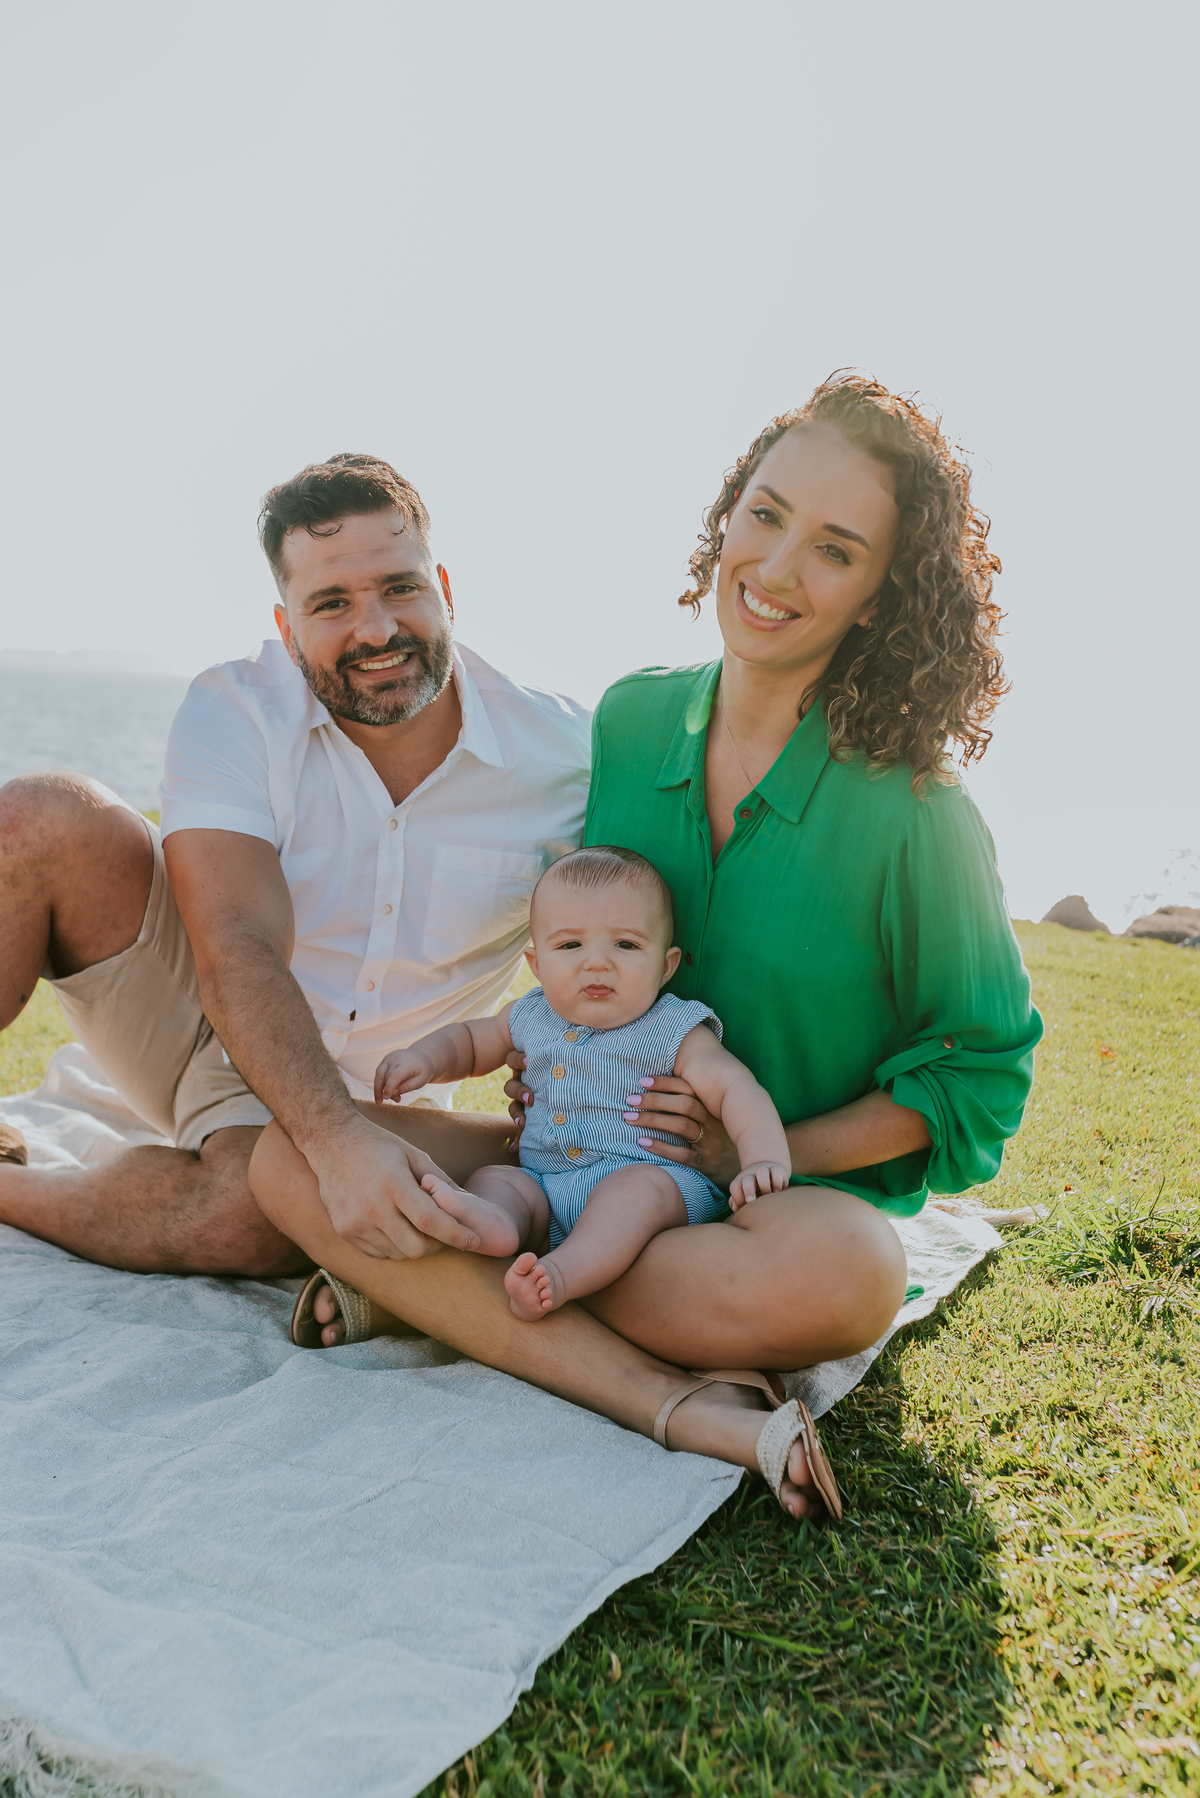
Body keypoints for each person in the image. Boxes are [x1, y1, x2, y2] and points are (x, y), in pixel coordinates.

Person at [248, 373, 1040, 1520]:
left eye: (833, 549)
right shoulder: (627, 722)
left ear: (879, 595)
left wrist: (752, 1154)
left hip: (763, 1219)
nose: (771, 570)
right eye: (763, 515)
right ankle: (663, 1387)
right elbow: (580, 937)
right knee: (299, 1150)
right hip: (567, 1167)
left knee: (860, 1272)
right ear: (728, 514)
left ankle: (440, 1297)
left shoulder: (917, 813)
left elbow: (977, 1078)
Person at [0, 454, 589, 1273]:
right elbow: (234, 942)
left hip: (394, 1096)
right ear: (286, 628)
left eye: (400, 588)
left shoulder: (566, 761)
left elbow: (637, 923)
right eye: (333, 603)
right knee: (37, 817)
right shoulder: (234, 709)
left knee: (251, 1210)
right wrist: (333, 1142)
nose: (377, 629)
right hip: (206, 1026)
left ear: (445, 590)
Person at [370, 845, 790, 1321]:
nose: (596, 963)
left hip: (650, 1184)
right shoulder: (531, 1013)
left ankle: (561, 1275)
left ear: (667, 965)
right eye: (570, 945)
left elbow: (737, 1089)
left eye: (626, 945)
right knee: (497, 1179)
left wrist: (763, 1158)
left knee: (636, 1192)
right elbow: (470, 1041)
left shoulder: (673, 1027)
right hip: (545, 1186)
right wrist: (423, 1058)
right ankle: (497, 1223)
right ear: (535, 963)